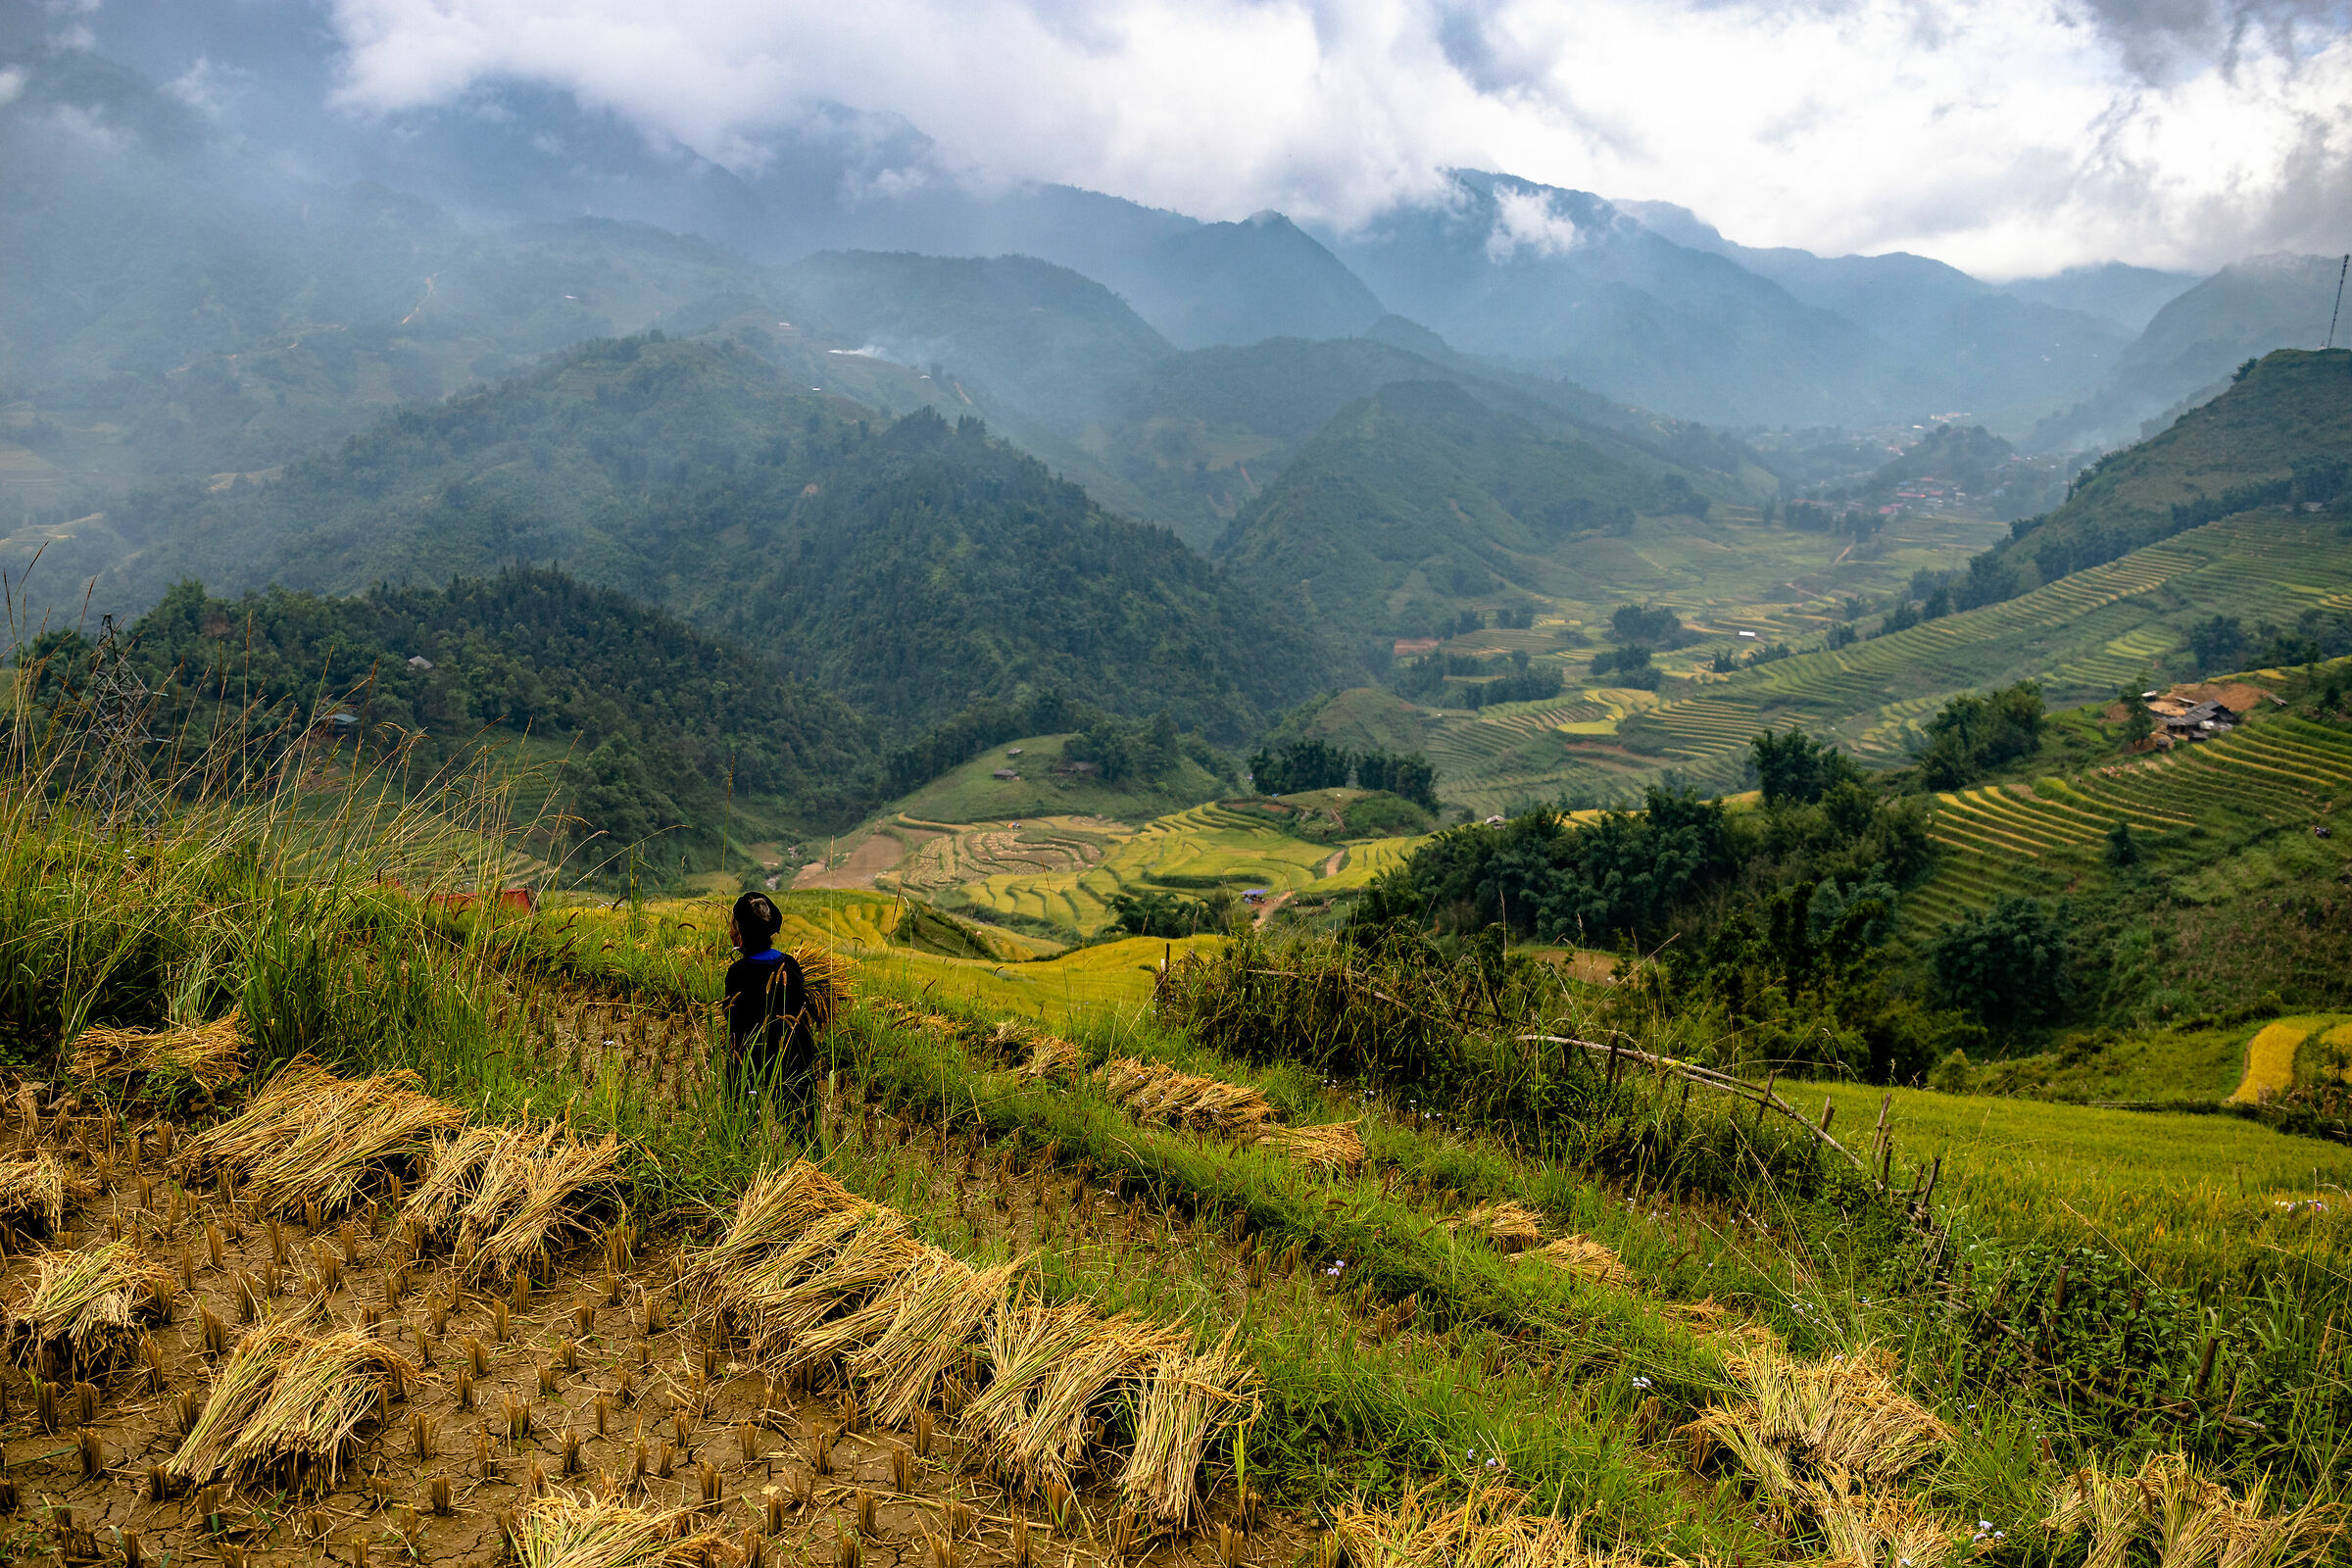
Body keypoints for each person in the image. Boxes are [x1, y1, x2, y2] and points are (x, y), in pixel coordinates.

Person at [722, 892, 815, 1106]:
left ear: (739, 934)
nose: (729, 931)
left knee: (741, 1122)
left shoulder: (738, 973)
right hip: (792, 1060)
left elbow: (733, 1021)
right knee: (801, 1127)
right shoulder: (790, 965)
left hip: (751, 1063)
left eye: (732, 926)